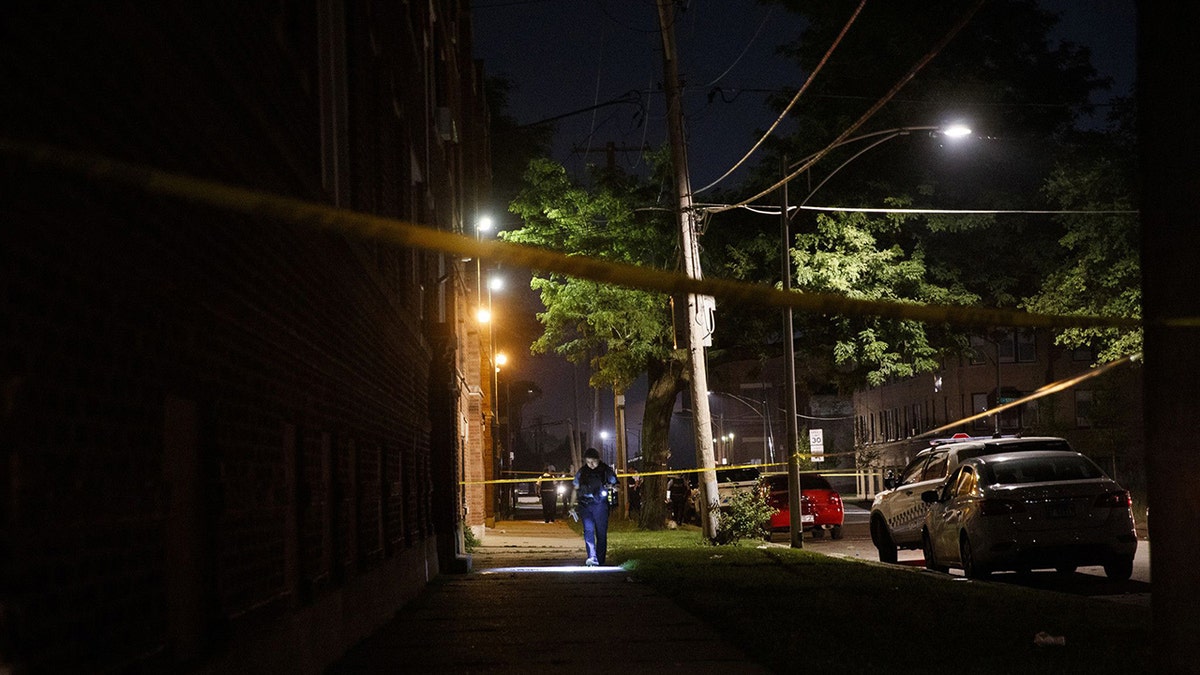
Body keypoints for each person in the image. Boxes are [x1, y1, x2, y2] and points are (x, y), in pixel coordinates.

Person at [571, 448, 618, 566]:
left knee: (601, 532)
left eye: (593, 462)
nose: (591, 465)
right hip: (585, 505)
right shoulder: (582, 472)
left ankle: (600, 558)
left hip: (600, 504)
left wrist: (612, 486)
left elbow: (618, 486)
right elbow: (575, 488)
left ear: (598, 459)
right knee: (588, 531)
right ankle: (592, 557)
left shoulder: (606, 470)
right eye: (588, 462)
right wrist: (571, 505)